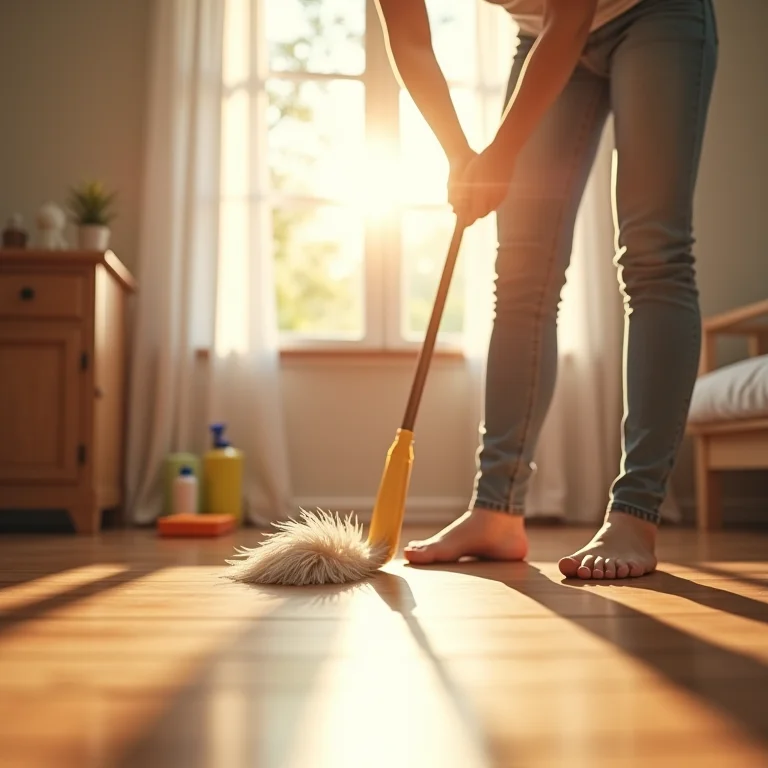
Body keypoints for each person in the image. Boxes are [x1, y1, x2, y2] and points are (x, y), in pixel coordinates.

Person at [374, 0, 718, 579]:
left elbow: (572, 17)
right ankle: (495, 510)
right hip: (541, 34)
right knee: (520, 276)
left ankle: (635, 514)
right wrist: (460, 154)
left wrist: (501, 154)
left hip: (653, 12)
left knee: (654, 258)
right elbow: (409, 40)